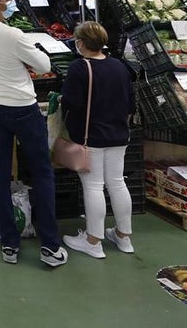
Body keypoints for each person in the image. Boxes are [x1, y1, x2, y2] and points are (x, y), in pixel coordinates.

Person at [0, 0, 67, 268]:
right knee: (42, 173)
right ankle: (50, 245)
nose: (12, 2)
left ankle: (9, 244)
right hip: (22, 109)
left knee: (0, 174)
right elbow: (45, 66)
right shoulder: (14, 35)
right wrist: (26, 59)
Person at [60, 21, 136, 258]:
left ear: (80, 43)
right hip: (119, 134)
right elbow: (131, 103)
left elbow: (72, 104)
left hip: (90, 136)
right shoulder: (120, 66)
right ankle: (124, 238)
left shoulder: (80, 68)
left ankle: (93, 241)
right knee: (117, 182)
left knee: (93, 186)